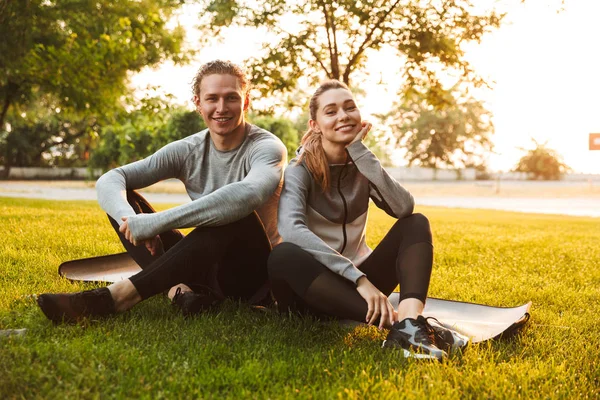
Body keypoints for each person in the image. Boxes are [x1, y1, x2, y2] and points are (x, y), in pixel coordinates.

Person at [37, 60, 287, 323]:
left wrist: (156, 222)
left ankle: (118, 297)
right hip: (205, 265)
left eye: (231, 98)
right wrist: (133, 221)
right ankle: (181, 292)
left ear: (245, 102)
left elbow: (246, 196)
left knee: (230, 213)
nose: (221, 108)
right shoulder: (187, 149)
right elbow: (111, 178)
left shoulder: (267, 147)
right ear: (198, 103)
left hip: (253, 277)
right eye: (212, 98)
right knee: (125, 205)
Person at [267, 80, 468, 360]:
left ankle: (410, 324)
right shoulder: (301, 170)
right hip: (314, 290)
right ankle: (400, 326)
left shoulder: (362, 165)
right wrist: (359, 279)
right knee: (283, 255)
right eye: (331, 111)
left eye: (350, 107)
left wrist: (360, 153)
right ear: (314, 125)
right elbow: (291, 229)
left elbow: (404, 207)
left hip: (360, 288)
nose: (343, 115)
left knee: (416, 223)